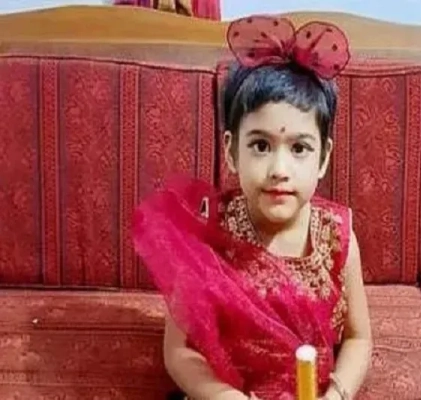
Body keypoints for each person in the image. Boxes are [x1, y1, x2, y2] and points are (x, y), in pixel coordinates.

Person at [133, 15, 372, 400]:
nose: (279, 169)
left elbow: (359, 339)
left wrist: (337, 394)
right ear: (231, 150)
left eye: (299, 148)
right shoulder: (207, 232)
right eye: (261, 146)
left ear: (324, 157)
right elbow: (179, 351)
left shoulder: (337, 236)